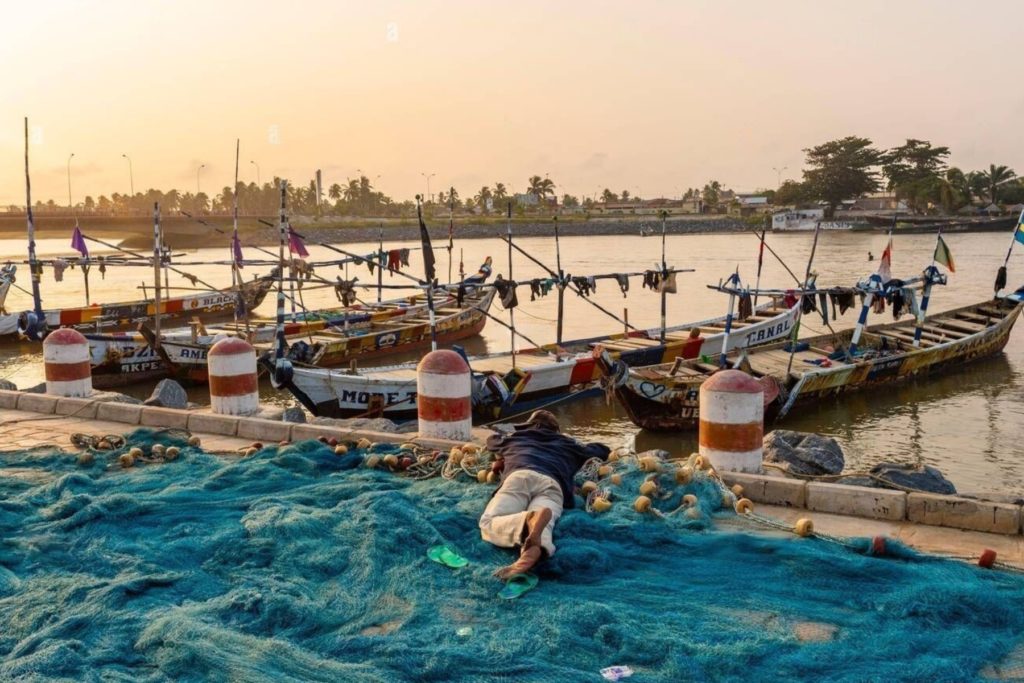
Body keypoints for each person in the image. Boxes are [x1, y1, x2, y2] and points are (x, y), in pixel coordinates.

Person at [479, 410, 610, 579]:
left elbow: (491, 441)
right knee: (545, 527)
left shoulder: (516, 439)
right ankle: (535, 549)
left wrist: (514, 436)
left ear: (532, 426)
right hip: (553, 483)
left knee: (489, 522)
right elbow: (602, 449)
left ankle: (526, 521)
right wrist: (573, 442)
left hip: (521, 476)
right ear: (556, 430)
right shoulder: (568, 444)